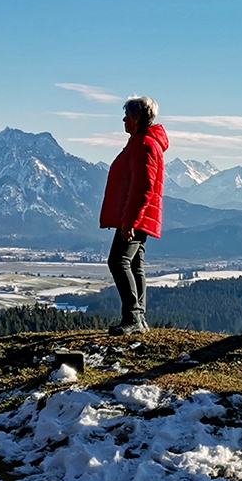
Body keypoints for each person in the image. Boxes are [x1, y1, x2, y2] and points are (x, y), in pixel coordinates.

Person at [101, 96, 166, 335]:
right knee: (135, 264)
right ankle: (139, 318)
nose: (123, 120)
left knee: (118, 261)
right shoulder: (144, 142)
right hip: (142, 216)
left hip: (136, 216)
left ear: (137, 118)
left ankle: (133, 317)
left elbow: (142, 188)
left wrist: (129, 222)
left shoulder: (144, 145)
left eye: (127, 115)